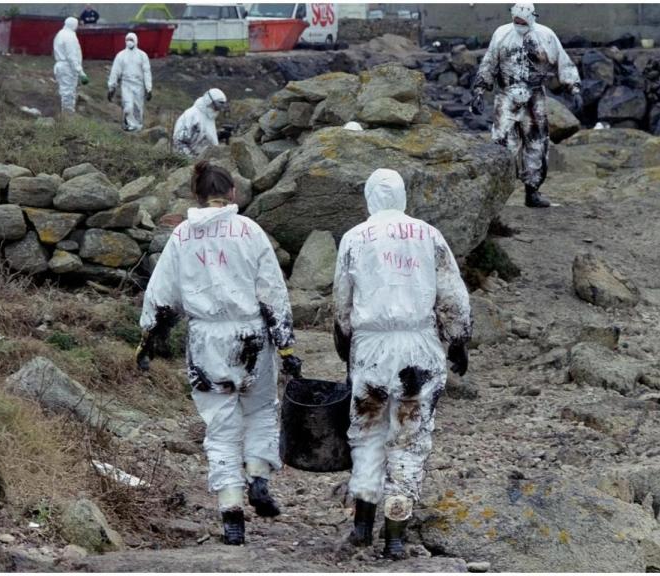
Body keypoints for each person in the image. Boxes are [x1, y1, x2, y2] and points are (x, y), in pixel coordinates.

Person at [137, 160, 303, 546]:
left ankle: (231, 512)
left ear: (196, 195)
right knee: (261, 409)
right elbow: (272, 293)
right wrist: (286, 346)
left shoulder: (182, 237)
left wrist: (147, 341)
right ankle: (258, 476)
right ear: (232, 194)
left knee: (221, 425)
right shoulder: (250, 231)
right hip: (251, 337)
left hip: (206, 340)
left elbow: (162, 296)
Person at [333, 169, 471, 560]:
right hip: (419, 348)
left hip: (371, 348)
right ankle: (394, 535)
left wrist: (345, 344)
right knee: (409, 441)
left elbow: (342, 300)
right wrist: (459, 340)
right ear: (402, 196)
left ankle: (361, 526)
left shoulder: (354, 238)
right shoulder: (428, 236)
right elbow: (451, 294)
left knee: (366, 434)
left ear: (369, 197)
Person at [471, 2, 581, 208]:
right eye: (516, 20)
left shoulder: (547, 35)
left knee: (537, 145)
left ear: (532, 17)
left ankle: (532, 192)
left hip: (535, 97)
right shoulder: (501, 33)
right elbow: (489, 62)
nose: (519, 23)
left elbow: (563, 62)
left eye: (523, 20)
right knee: (503, 145)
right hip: (506, 96)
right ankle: (497, 196)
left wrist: (574, 87)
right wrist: (478, 91)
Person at [108, 32, 153, 132]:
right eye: (127, 40)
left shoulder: (142, 55)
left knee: (138, 106)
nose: (129, 42)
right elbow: (115, 71)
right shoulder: (121, 55)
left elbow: (147, 72)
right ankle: (128, 124)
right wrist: (112, 87)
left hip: (139, 85)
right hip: (126, 84)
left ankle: (137, 127)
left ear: (136, 41)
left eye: (131, 40)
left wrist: (148, 88)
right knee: (128, 105)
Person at [173, 88, 228, 157]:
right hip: (192, 163)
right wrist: (192, 160)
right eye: (216, 107)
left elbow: (201, 136)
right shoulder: (191, 115)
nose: (217, 110)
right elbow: (178, 142)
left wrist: (219, 136)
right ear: (209, 101)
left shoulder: (209, 116)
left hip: (205, 161)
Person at [53, 17, 88, 114]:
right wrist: (80, 72)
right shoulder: (69, 36)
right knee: (68, 92)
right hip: (67, 67)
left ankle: (66, 115)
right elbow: (72, 55)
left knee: (65, 91)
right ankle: (68, 117)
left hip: (61, 66)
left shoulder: (60, 33)